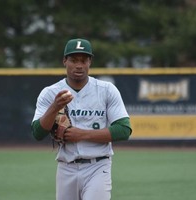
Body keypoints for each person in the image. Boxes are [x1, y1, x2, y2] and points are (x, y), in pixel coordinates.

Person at [31, 38, 132, 200]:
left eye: (84, 60)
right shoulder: (51, 93)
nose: (79, 65)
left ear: (90, 62)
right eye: (73, 60)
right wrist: (54, 107)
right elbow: (37, 133)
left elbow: (124, 130)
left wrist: (82, 134)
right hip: (66, 168)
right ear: (65, 61)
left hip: (98, 166)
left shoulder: (106, 90)